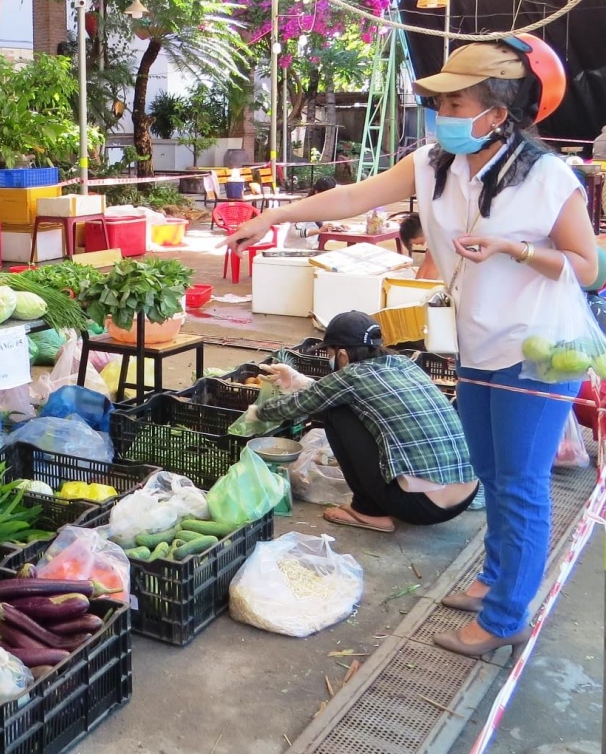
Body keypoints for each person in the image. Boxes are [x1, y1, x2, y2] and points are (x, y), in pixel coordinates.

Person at [225, 34, 596, 658]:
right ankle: (496, 580)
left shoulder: (548, 177)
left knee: (521, 484)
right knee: (490, 471)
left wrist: (516, 249)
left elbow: (588, 267)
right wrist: (274, 217)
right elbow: (351, 196)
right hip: (480, 344)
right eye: (441, 104)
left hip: (538, 348)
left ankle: (507, 617)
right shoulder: (433, 164)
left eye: (455, 105)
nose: (441, 116)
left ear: (497, 114)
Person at [249, 312, 477, 533]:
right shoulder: (403, 364)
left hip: (422, 508)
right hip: (466, 495)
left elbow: (303, 404)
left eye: (330, 352)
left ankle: (368, 511)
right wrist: (297, 381)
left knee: (335, 411)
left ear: (343, 355)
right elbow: (340, 392)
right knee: (343, 405)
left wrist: (257, 413)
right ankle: (388, 499)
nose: (329, 358)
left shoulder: (354, 375)